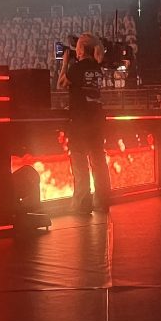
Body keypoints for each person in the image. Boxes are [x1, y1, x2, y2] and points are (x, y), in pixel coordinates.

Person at [66, 32, 111, 214]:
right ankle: (102, 201)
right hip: (97, 120)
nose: (75, 50)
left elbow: (62, 83)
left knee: (80, 162)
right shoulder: (97, 68)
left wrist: (64, 64)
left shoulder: (76, 68)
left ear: (83, 49)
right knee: (99, 161)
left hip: (80, 120)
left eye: (77, 47)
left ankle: (82, 204)